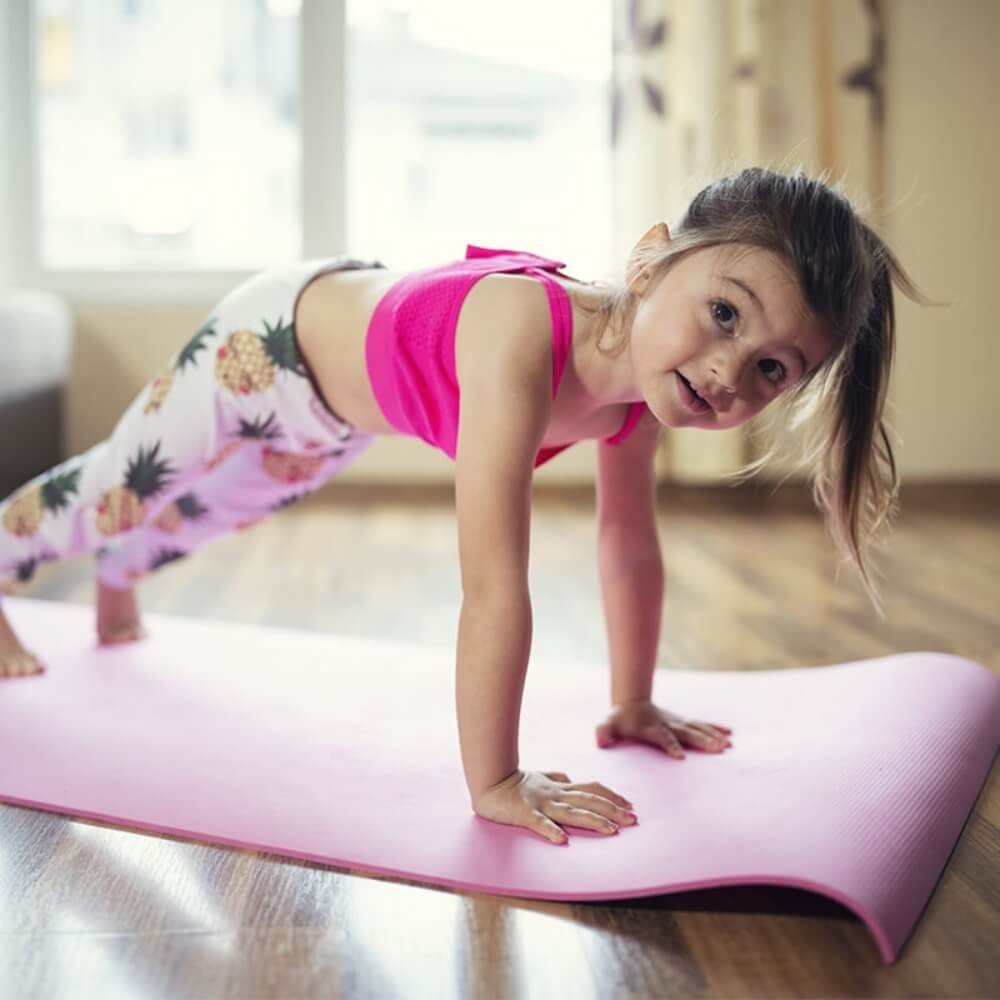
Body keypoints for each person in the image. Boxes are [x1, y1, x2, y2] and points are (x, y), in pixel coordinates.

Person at [0, 167, 926, 845]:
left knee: (212, 512)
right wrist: (497, 780)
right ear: (651, 263)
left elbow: (627, 548)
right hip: (273, 341)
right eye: (725, 314)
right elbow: (491, 583)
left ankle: (115, 586)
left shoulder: (642, 399)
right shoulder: (519, 331)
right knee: (123, 486)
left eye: (773, 369)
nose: (729, 372)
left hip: (330, 414)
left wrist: (634, 700)